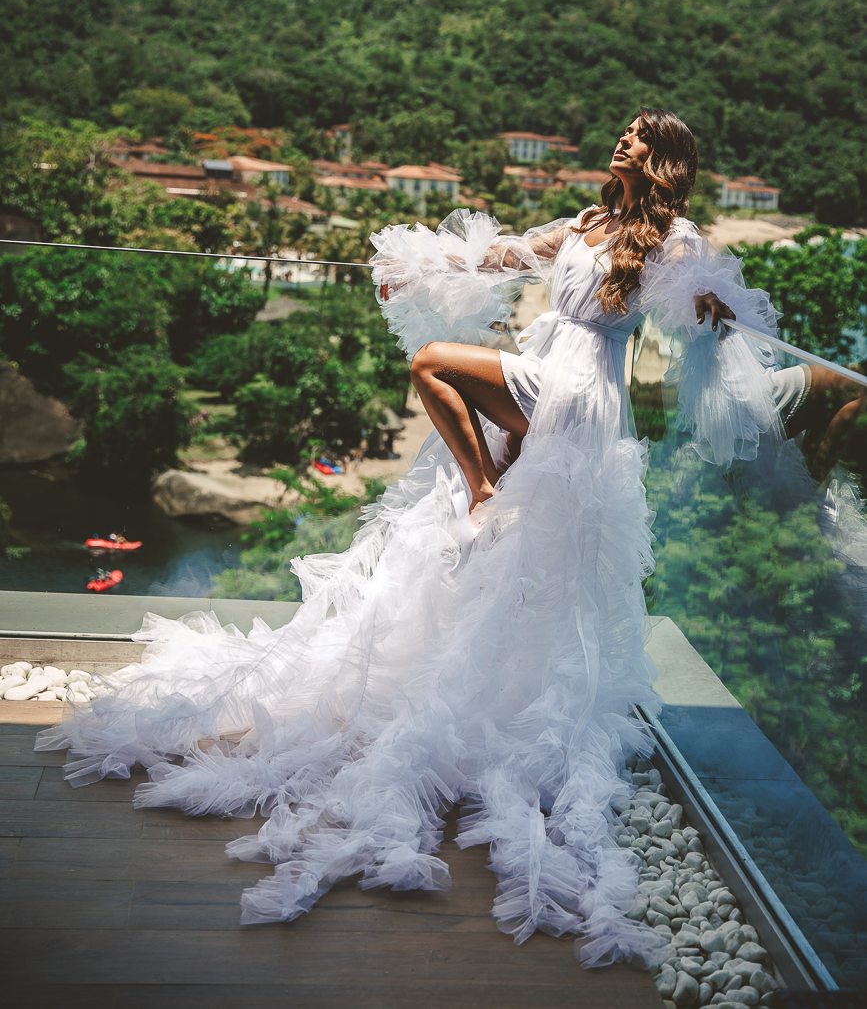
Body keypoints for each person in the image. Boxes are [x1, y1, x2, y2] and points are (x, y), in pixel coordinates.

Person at [36, 107, 782, 969]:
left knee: (432, 362)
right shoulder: (584, 222)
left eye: (638, 140)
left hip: (579, 393)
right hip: (553, 379)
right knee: (462, 427)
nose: (622, 143)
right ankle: (486, 504)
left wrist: (709, 304)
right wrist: (418, 263)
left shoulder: (670, 235)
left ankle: (480, 491)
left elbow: (702, 308)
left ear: (663, 161)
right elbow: (500, 255)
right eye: (621, 133)